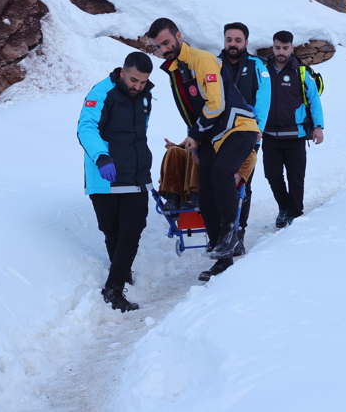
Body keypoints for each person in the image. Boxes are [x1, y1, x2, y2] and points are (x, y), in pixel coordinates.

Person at [146, 18, 259, 280]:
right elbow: (191, 112)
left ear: (178, 35)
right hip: (210, 137)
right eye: (158, 46)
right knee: (205, 196)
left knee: (222, 173)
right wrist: (193, 138)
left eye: (166, 42)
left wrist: (195, 135)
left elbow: (216, 104)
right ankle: (223, 259)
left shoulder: (202, 59)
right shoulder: (176, 69)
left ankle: (230, 235)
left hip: (238, 128)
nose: (163, 49)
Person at [76, 51, 155, 312]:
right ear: (123, 71)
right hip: (105, 175)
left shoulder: (144, 96)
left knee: (132, 231)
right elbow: (86, 127)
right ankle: (121, 271)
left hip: (135, 176)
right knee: (112, 232)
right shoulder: (102, 92)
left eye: (143, 82)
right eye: (134, 80)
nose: (138, 86)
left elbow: (137, 135)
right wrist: (101, 157)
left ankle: (114, 287)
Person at [217, 22, 270, 254]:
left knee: (241, 184)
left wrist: (258, 129)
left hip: (248, 135)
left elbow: (264, 100)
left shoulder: (258, 66)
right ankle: (221, 231)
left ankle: (238, 233)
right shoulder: (214, 64)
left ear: (246, 43)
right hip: (219, 136)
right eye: (229, 39)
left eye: (238, 40)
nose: (233, 44)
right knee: (218, 182)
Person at [262, 30, 324, 228]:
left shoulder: (302, 72)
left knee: (295, 177)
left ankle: (295, 213)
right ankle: (284, 207)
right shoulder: (263, 70)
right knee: (272, 176)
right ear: (273, 47)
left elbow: (314, 101)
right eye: (277, 47)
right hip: (269, 134)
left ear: (292, 48)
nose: (281, 52)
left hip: (295, 135)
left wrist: (318, 127)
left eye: (285, 48)